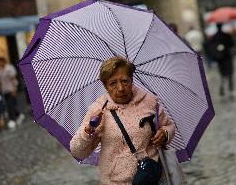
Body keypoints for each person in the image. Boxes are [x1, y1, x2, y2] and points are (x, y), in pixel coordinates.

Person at [70, 56, 176, 185]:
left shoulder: (150, 102)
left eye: (124, 81)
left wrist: (165, 133)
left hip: (151, 178)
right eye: (113, 83)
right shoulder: (98, 110)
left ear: (131, 80)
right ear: (105, 86)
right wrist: (89, 129)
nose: (120, 88)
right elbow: (78, 152)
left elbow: (168, 125)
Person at [209, 23, 236, 99]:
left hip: (220, 59)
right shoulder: (226, 35)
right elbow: (232, 44)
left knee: (223, 75)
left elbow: (211, 47)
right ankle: (230, 90)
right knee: (230, 74)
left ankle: (222, 90)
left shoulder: (214, 37)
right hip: (227, 57)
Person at [0, 57, 24, 129]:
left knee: (10, 105)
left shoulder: (9, 68)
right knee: (10, 105)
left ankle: (13, 120)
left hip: (11, 89)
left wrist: (14, 89)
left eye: (0, 62)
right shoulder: (0, 70)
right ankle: (19, 115)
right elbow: (1, 82)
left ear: (3, 61)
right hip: (5, 91)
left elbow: (13, 79)